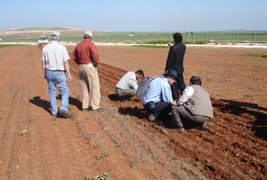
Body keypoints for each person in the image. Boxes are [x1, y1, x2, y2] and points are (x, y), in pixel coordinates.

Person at [41, 31, 72, 118]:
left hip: (49, 72)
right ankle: (63, 108)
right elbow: (66, 62)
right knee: (64, 91)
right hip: (59, 72)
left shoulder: (45, 48)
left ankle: (54, 111)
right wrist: (69, 74)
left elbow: (43, 63)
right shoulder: (62, 48)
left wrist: (44, 73)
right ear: (59, 38)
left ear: (51, 38)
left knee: (52, 92)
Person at [72, 31, 102, 111]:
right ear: (91, 37)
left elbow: (74, 56)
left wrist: (79, 62)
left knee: (84, 86)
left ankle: (84, 106)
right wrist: (96, 62)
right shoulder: (90, 44)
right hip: (89, 66)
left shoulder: (79, 44)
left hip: (81, 66)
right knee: (94, 86)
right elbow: (95, 53)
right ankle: (95, 106)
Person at [165, 32, 186, 101]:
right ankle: (185, 96)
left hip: (173, 69)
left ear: (174, 39)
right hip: (180, 68)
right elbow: (177, 50)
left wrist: (167, 69)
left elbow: (170, 60)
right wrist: (171, 46)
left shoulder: (173, 48)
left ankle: (176, 98)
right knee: (181, 83)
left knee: (174, 84)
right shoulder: (184, 46)